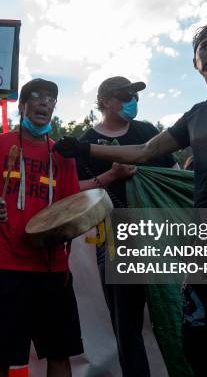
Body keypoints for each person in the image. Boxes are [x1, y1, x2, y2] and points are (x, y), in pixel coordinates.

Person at [54, 21, 207, 376]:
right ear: (195, 62)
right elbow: (146, 150)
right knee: (198, 341)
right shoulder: (196, 113)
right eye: (204, 46)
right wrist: (84, 147)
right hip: (206, 240)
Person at [0, 78, 83, 377]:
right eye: (36, 96)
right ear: (22, 105)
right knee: (0, 358)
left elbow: (71, 209)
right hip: (6, 265)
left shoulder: (63, 156)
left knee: (60, 354)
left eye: (50, 99)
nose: (44, 102)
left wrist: (79, 222)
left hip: (53, 268)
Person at [75, 76, 176, 377]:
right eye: (125, 94)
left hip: (159, 235)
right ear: (105, 101)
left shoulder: (147, 132)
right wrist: (110, 177)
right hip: (115, 237)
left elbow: (172, 175)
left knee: (173, 314)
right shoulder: (84, 143)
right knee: (127, 323)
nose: (133, 99)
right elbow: (75, 190)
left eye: (136, 95)